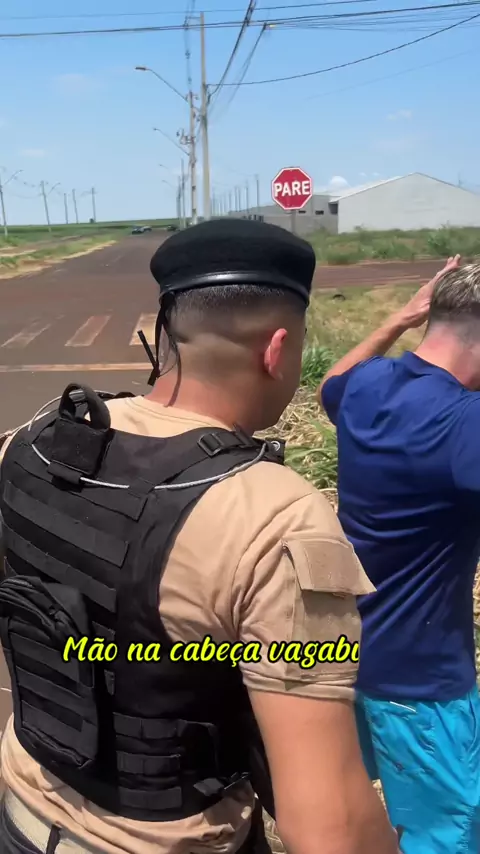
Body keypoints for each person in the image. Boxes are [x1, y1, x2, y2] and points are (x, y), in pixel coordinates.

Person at [0, 218, 399, 854]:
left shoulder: (34, 441)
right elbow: (329, 826)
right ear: (277, 350)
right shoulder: (275, 516)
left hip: (19, 818)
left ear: (165, 334)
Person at [317, 254, 480, 854]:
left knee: (342, 819)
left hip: (340, 651)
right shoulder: (464, 423)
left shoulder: (369, 386)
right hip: (422, 678)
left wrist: (396, 321)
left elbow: (328, 385)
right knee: (445, 836)